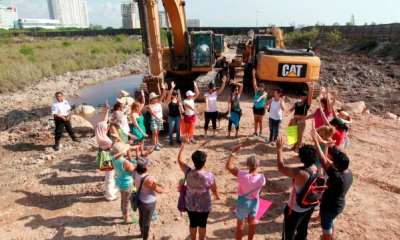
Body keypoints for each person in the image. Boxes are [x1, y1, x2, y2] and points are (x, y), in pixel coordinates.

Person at [310, 129, 353, 240]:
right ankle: (331, 238)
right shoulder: (348, 172)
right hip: (338, 205)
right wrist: (327, 146)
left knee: (326, 225)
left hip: (330, 206)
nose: (331, 161)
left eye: (333, 161)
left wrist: (316, 141)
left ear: (337, 165)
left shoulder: (335, 175)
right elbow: (328, 162)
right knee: (330, 222)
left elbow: (322, 160)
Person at [177, 134, 221, 240]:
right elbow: (214, 189)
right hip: (204, 204)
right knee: (202, 224)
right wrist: (218, 196)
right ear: (204, 163)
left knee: (192, 223)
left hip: (190, 203)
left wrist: (185, 144)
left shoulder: (188, 172)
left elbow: (180, 159)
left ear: (194, 162)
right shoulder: (209, 176)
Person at [275, 135, 318, 240]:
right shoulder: (317, 169)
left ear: (301, 157)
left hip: (295, 209)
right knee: (302, 232)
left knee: (288, 234)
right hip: (309, 206)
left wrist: (279, 150)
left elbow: (281, 167)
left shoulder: (300, 173)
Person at [226, 144, 266, 240]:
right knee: (252, 223)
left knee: (240, 225)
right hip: (255, 202)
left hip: (243, 202)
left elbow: (229, 166)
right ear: (258, 165)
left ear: (247, 164)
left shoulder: (243, 176)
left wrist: (233, 152)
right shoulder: (262, 177)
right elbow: (262, 184)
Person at [133, 157, 170, 240]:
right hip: (148, 202)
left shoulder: (134, 173)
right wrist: (166, 191)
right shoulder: (148, 179)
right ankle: (146, 237)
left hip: (139, 199)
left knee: (141, 217)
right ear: (146, 168)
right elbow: (158, 190)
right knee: (147, 220)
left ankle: (142, 232)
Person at [94, 100, 119, 201]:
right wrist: (116, 140)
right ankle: (109, 195)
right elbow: (112, 147)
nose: (108, 127)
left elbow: (103, 123)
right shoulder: (106, 140)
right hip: (108, 158)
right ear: (104, 129)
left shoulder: (100, 135)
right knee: (109, 177)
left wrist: (107, 110)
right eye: (107, 127)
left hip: (104, 157)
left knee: (109, 176)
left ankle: (110, 190)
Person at [110, 141, 138, 225]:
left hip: (119, 181)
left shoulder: (114, 159)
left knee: (123, 198)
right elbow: (133, 171)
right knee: (127, 201)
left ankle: (124, 212)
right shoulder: (125, 162)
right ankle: (126, 217)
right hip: (127, 183)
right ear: (122, 152)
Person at [285, 82, 315, 151]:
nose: (301, 97)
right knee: (294, 132)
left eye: (303, 96)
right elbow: (292, 108)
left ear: (306, 97)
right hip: (295, 118)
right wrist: (288, 113)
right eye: (301, 96)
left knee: (300, 133)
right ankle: (294, 145)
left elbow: (311, 97)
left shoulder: (307, 104)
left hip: (302, 119)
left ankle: (298, 146)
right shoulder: (298, 103)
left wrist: (312, 88)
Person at [148, 84, 167, 151]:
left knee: (157, 133)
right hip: (154, 120)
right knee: (154, 133)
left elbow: (162, 96)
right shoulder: (150, 106)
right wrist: (159, 119)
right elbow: (152, 113)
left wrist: (164, 89)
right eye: (155, 98)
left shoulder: (159, 103)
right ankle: (154, 145)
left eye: (156, 97)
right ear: (152, 99)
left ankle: (157, 142)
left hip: (159, 119)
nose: (156, 98)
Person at [166, 81, 185, 146]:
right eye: (174, 94)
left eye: (176, 94)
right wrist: (172, 88)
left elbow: (180, 106)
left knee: (178, 129)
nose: (175, 95)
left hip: (177, 116)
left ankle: (178, 139)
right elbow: (168, 96)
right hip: (171, 117)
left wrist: (182, 111)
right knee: (171, 129)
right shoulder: (169, 101)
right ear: (172, 95)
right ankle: (171, 140)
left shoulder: (178, 101)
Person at [131, 90, 148, 159]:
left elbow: (143, 102)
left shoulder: (138, 111)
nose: (139, 107)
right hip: (137, 130)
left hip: (142, 127)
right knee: (137, 143)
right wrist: (142, 133)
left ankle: (142, 152)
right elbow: (136, 125)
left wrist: (143, 94)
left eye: (138, 106)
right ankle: (137, 156)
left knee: (142, 141)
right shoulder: (133, 114)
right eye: (137, 106)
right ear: (135, 107)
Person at [252, 69, 268, 138]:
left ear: (264, 88)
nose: (260, 89)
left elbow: (262, 97)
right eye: (259, 87)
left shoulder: (265, 93)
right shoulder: (257, 91)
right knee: (256, 121)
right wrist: (253, 76)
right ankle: (255, 132)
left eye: (261, 88)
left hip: (261, 108)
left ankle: (261, 132)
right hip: (255, 108)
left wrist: (258, 99)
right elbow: (254, 83)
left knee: (260, 121)